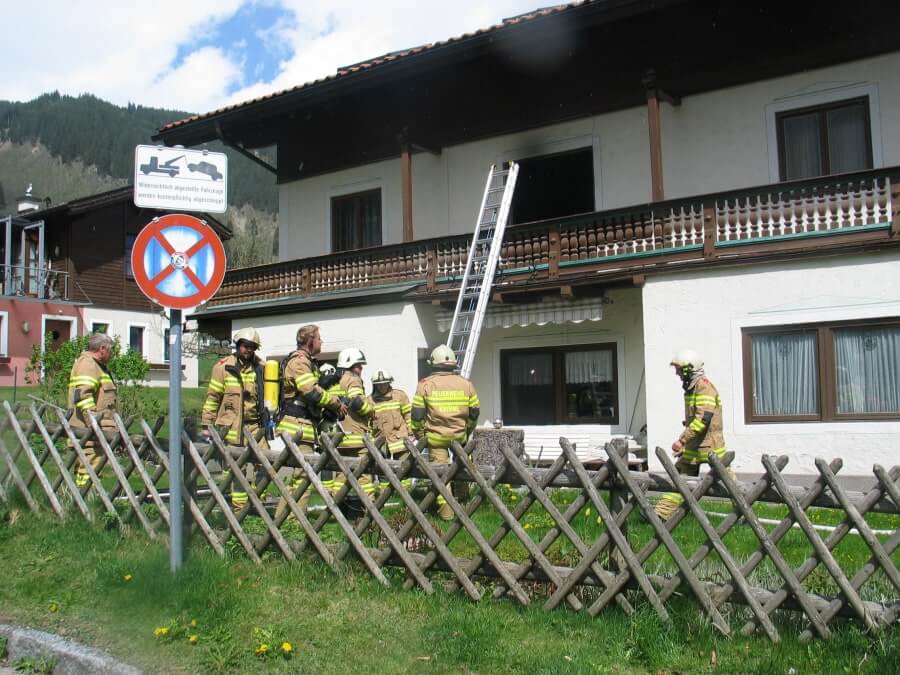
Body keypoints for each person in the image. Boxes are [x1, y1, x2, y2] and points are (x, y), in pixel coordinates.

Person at [276, 324, 347, 514]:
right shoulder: (300, 362)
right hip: (297, 424)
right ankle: (294, 520)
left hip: (303, 424)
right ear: (309, 341)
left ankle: (283, 519)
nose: (321, 341)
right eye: (319, 338)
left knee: (299, 474)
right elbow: (311, 392)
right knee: (303, 475)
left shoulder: (307, 362)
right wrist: (336, 404)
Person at [654, 349, 731, 521]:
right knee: (680, 477)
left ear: (689, 369)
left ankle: (744, 512)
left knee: (729, 482)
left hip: (711, 445)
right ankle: (660, 515)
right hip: (695, 445)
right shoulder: (692, 388)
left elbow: (703, 419)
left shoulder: (704, 387)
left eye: (679, 370)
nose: (677, 374)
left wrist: (682, 440)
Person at [410, 344, 480, 520]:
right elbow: (474, 412)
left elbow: (417, 416)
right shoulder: (466, 384)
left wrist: (420, 436)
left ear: (433, 363)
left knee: (441, 476)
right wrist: (467, 430)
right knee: (462, 469)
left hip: (435, 438)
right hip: (460, 437)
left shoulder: (425, 385)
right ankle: (464, 504)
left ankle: (446, 514)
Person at [201, 327, 265, 510]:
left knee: (266, 464)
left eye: (252, 347)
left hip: (255, 425)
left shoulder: (261, 367)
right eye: (245, 346)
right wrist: (206, 424)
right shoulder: (222, 368)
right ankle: (239, 509)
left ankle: (258, 502)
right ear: (237, 345)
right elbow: (213, 398)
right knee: (237, 468)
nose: (249, 350)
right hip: (232, 427)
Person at [67, 332, 117, 488]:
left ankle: (84, 497)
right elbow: (83, 396)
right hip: (89, 433)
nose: (112, 354)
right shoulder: (88, 365)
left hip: (93, 434)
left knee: (89, 471)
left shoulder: (97, 366)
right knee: (89, 473)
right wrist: (94, 425)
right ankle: (87, 498)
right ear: (102, 349)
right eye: (111, 350)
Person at [332, 348, 376, 509]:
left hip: (340, 435)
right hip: (356, 435)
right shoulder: (353, 379)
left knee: (341, 473)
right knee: (364, 473)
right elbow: (357, 402)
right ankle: (369, 508)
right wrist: (370, 410)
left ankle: (335, 506)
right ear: (349, 365)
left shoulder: (337, 381)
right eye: (358, 365)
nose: (361, 368)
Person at [368, 368, 414, 489]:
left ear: (389, 382)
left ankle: (405, 492)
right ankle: (385, 493)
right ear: (374, 385)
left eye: (384, 383)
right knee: (382, 469)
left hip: (400, 438)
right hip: (381, 441)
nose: (382, 386)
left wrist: (411, 432)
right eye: (379, 384)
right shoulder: (370, 401)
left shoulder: (399, 396)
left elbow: (408, 414)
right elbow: (368, 423)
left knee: (404, 466)